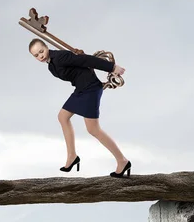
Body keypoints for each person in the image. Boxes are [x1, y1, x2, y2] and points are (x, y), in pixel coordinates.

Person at [28, 38, 131, 178]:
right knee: (62, 117)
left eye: (42, 51)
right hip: (80, 89)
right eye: (36, 55)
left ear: (46, 47)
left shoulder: (60, 57)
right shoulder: (51, 65)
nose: (41, 56)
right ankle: (72, 156)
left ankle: (122, 161)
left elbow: (85, 60)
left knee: (93, 129)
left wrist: (111, 67)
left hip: (90, 89)